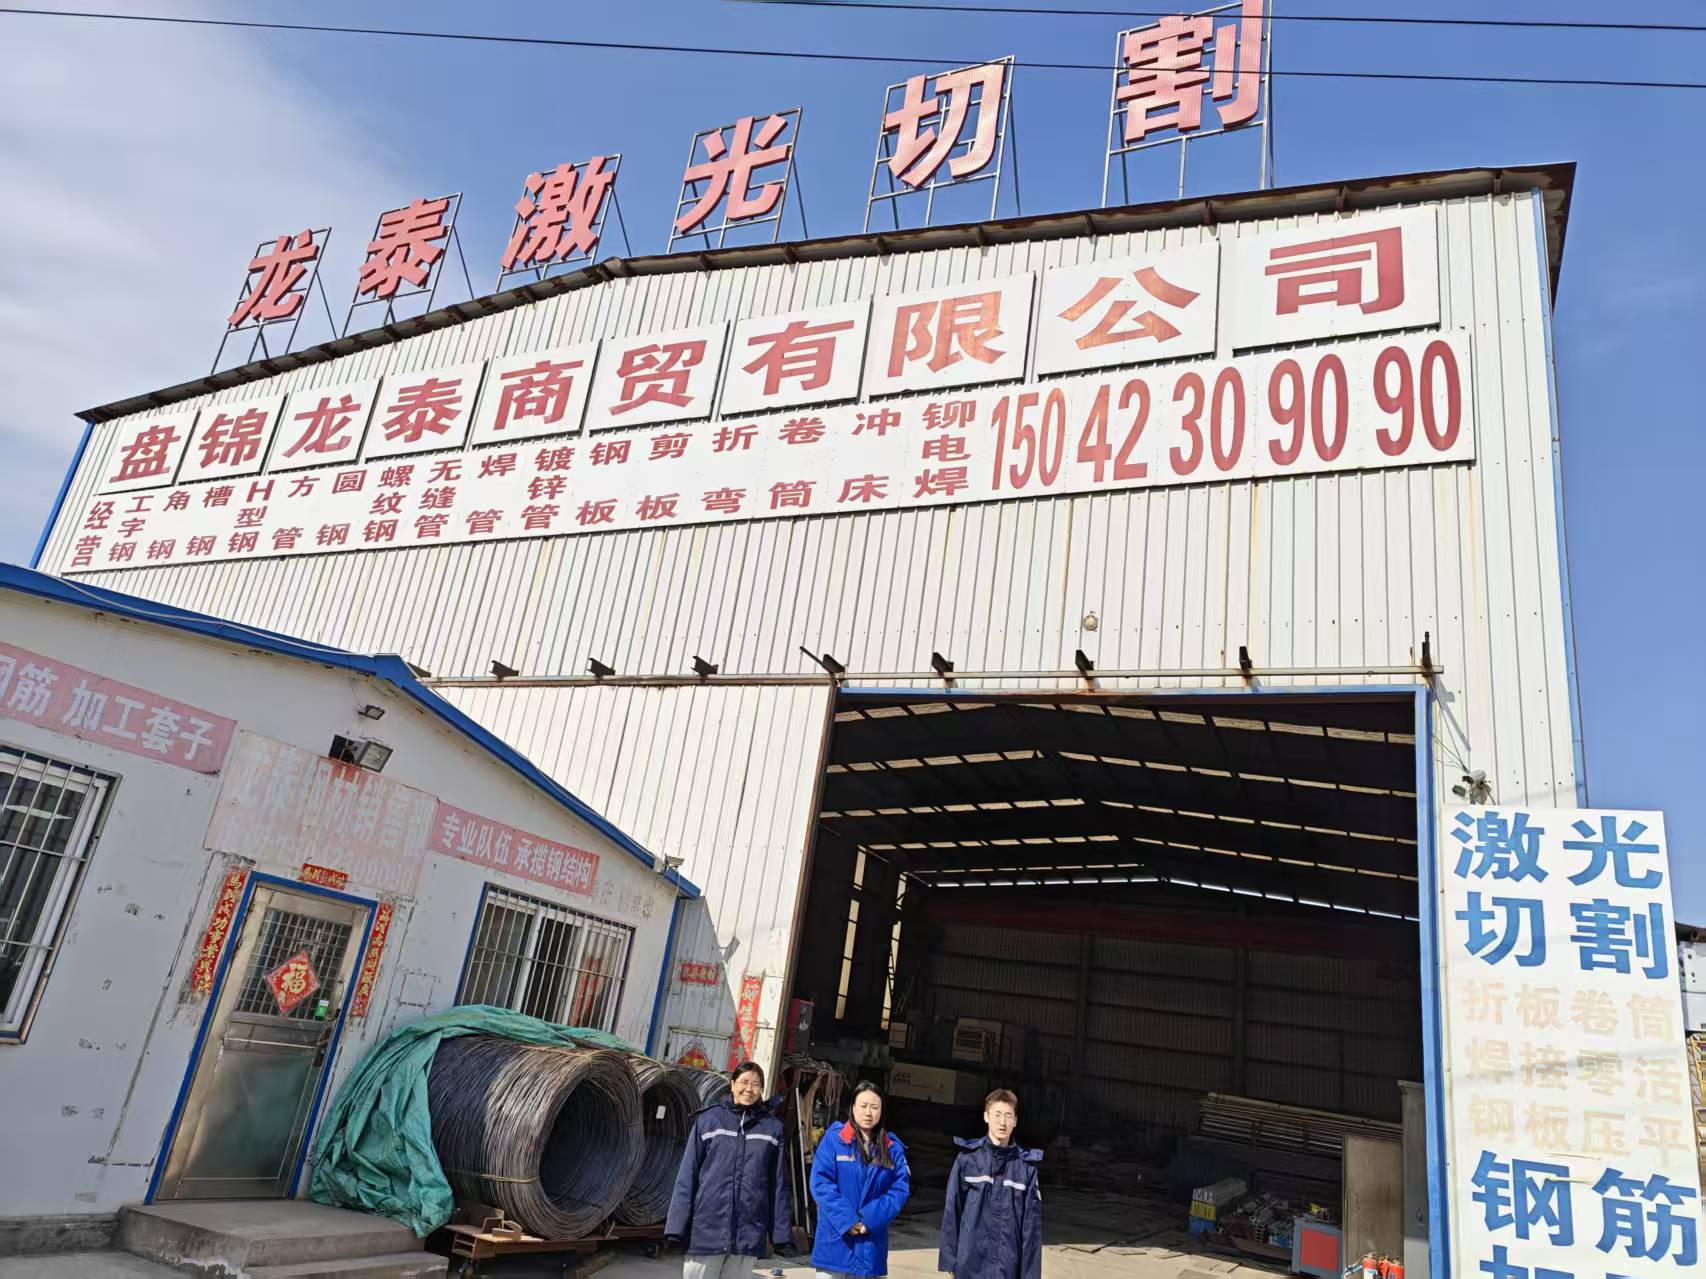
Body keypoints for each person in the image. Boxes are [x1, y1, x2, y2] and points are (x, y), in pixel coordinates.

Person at [665, 1060, 793, 1279]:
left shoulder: (772, 1129)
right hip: (706, 1228)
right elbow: (688, 1175)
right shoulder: (709, 1120)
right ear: (732, 1085)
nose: (749, 1089)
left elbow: (778, 1184)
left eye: (755, 1084)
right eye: (744, 1082)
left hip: (748, 1230)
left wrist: (780, 1232)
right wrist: (676, 1224)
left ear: (762, 1089)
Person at [810, 1079, 911, 1278]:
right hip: (835, 1240)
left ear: (882, 1111)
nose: (868, 1113)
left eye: (874, 1107)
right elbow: (821, 1182)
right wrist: (847, 1220)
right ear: (853, 1107)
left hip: (870, 1245)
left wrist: (870, 1219)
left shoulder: (892, 1149)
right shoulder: (834, 1140)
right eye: (863, 1106)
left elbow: (899, 1190)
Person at [938, 1089, 1042, 1279]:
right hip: (969, 1263)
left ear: (1015, 1121)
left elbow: (1031, 1230)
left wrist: (1030, 1275)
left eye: (1008, 1116)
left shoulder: (1026, 1169)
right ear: (986, 1117)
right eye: (997, 1114)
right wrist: (949, 1259)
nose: (1002, 1122)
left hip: (1007, 1267)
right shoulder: (967, 1160)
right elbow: (952, 1211)